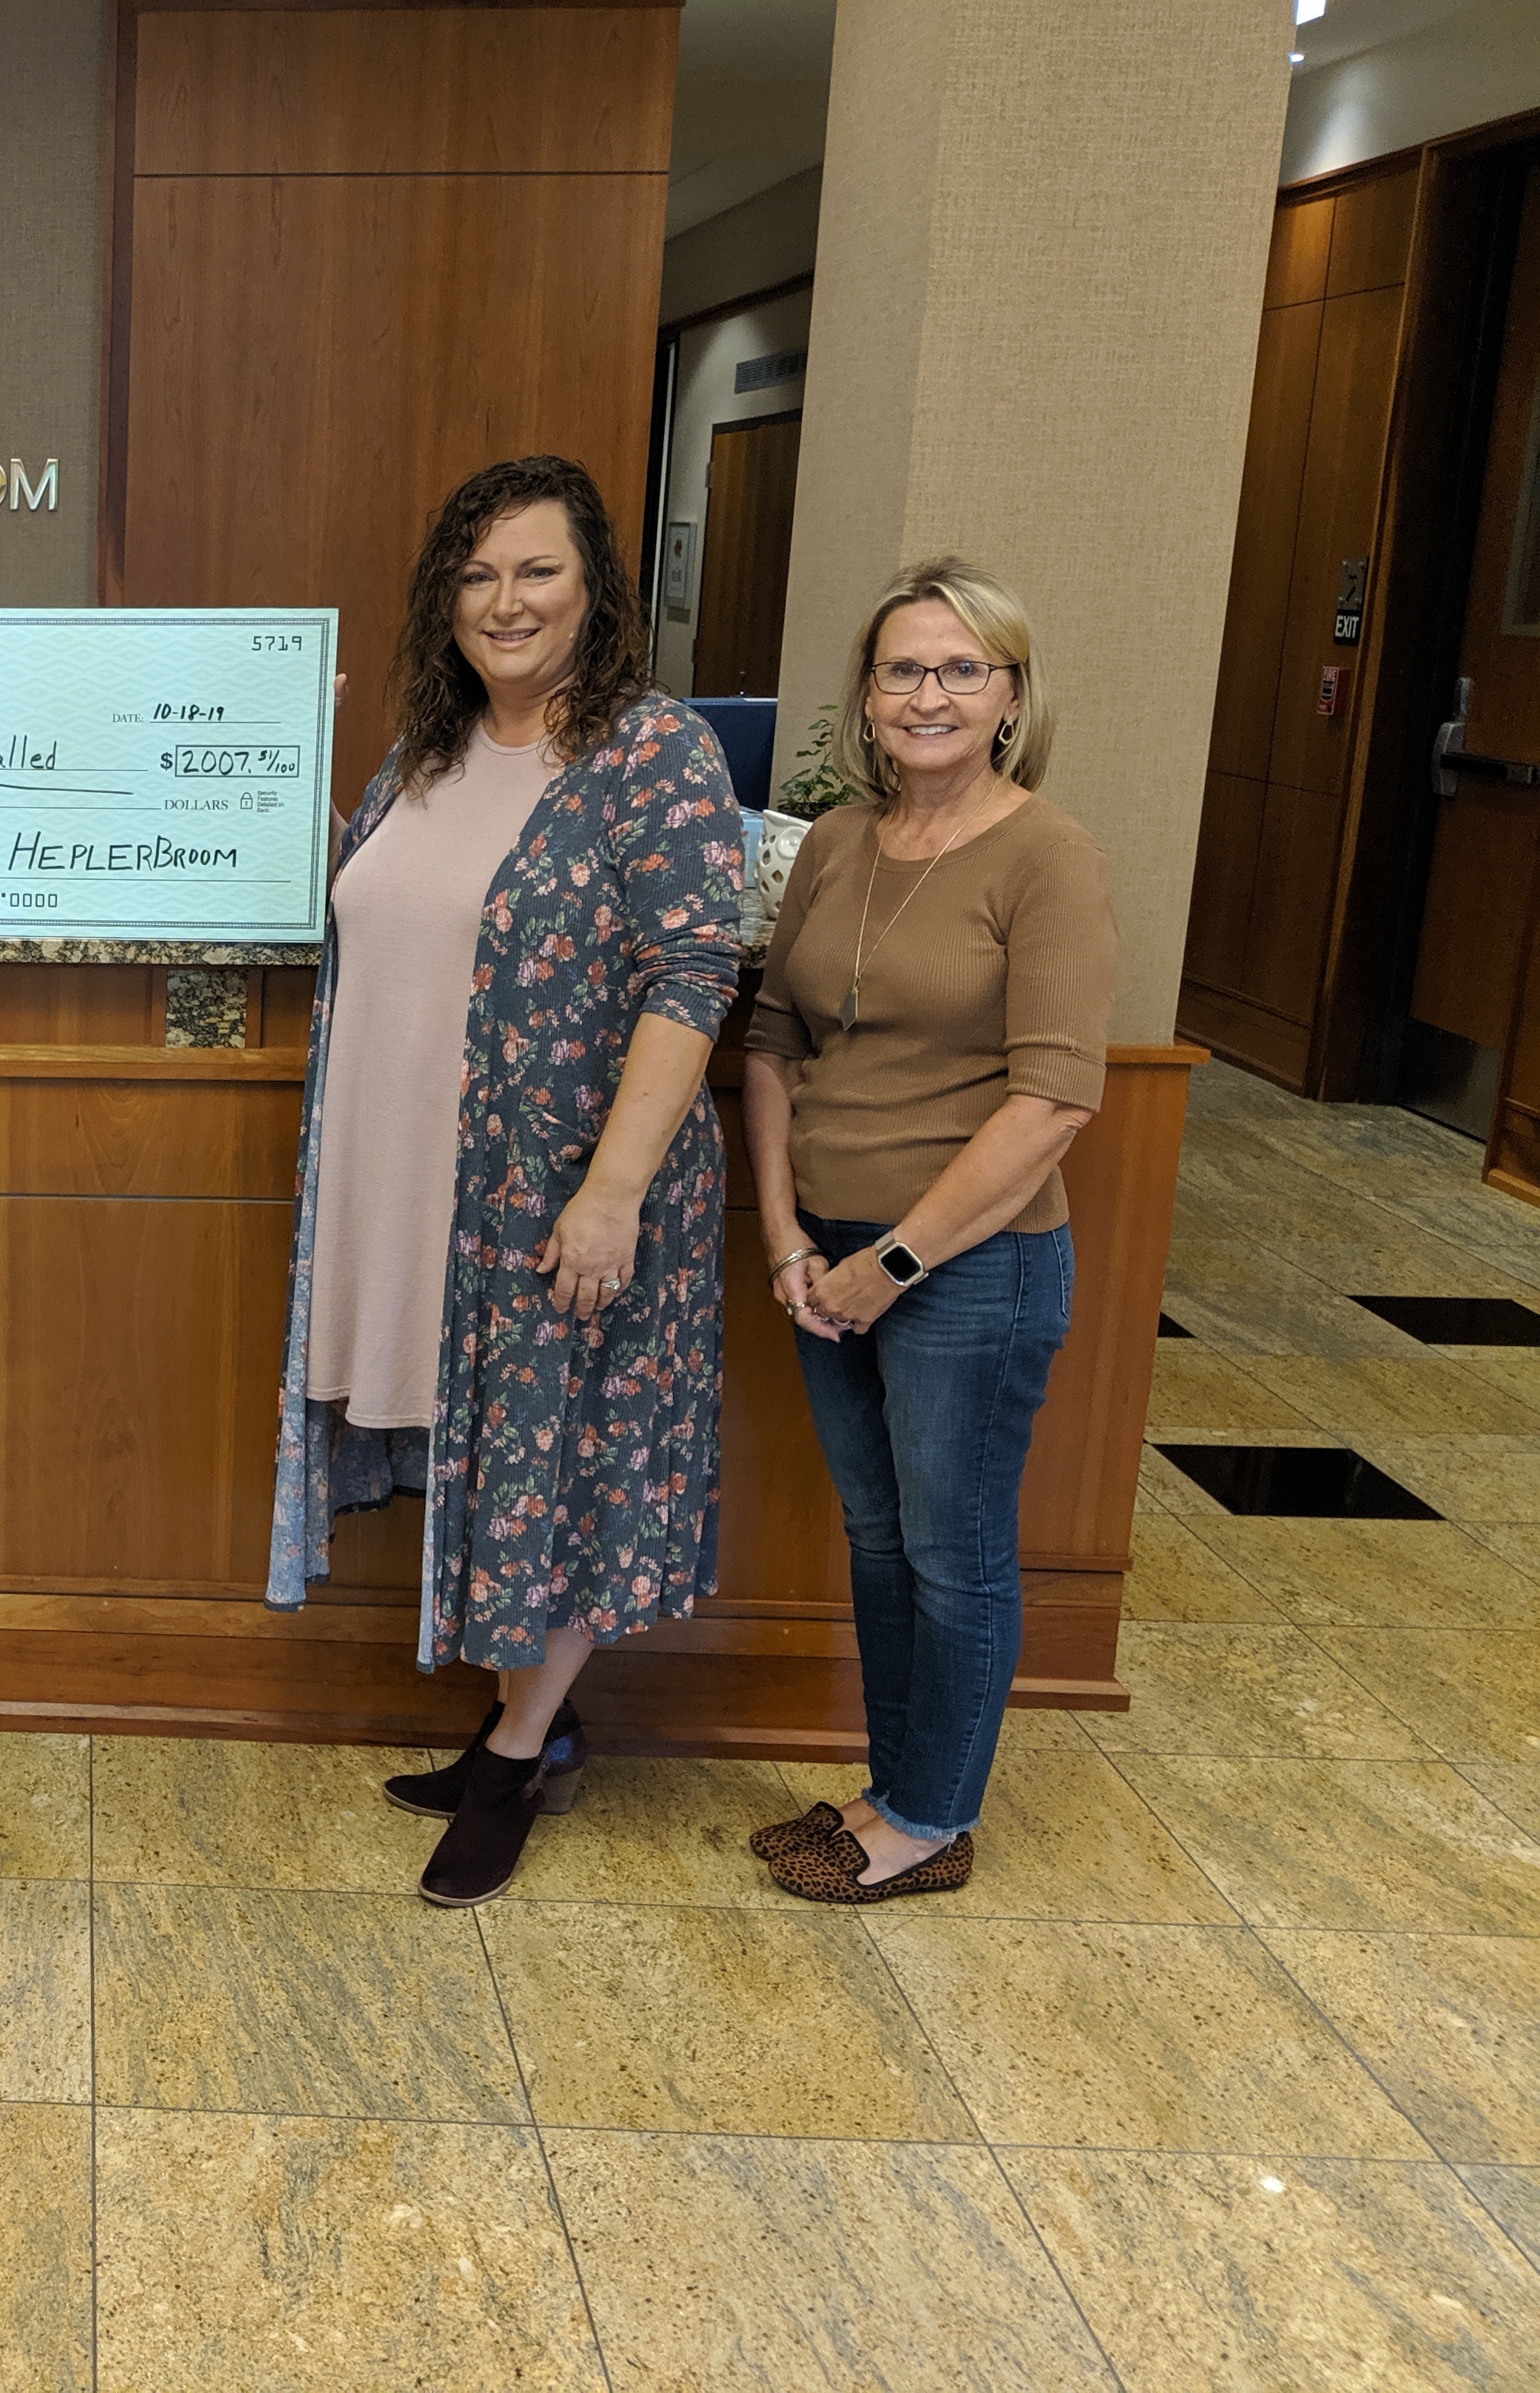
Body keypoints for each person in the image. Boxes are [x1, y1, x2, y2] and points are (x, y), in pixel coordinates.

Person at [268, 454, 745, 1907]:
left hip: (566, 1201)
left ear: (595, 585)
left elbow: (695, 967)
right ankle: (532, 1719)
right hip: (422, 1189)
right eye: (476, 577)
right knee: (497, 1452)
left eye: (537, 570)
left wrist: (609, 1194)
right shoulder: (423, 749)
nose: (506, 602)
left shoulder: (651, 753)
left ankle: (516, 1756)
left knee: (555, 1466)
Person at [742, 558, 1117, 1902]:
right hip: (826, 1251)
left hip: (968, 1268)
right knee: (881, 1536)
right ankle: (895, 1783)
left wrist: (891, 1265)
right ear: (867, 693)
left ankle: (930, 1820)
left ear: (1011, 696)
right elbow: (776, 1035)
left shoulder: (1047, 856)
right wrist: (787, 1238)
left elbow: (1058, 1098)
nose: (929, 694)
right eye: (903, 668)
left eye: (962, 669)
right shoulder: (838, 839)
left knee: (956, 1552)